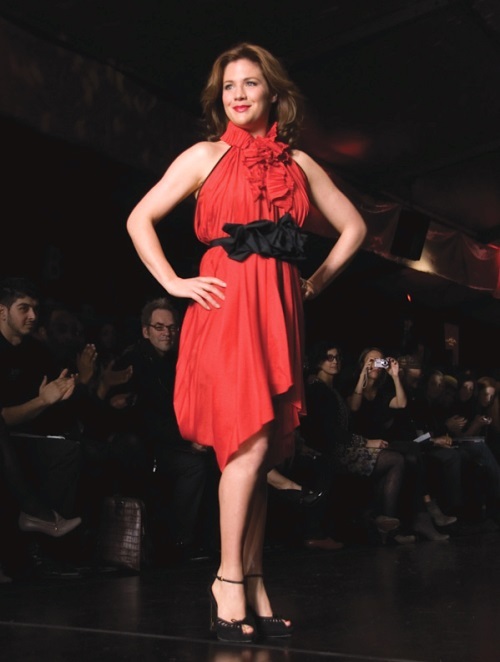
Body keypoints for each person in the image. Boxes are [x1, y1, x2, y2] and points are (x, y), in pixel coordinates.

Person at [126, 42, 366, 642]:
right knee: (248, 444)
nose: (237, 93)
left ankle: (253, 582)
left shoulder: (299, 164)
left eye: (250, 83)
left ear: (273, 94)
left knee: (264, 453)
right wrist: (174, 282)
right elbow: (139, 218)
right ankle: (227, 580)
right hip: (227, 308)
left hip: (278, 312)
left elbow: (355, 227)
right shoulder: (205, 155)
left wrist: (312, 283)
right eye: (229, 85)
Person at [108, 297, 219, 561]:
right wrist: (188, 440)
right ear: (146, 331)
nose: (167, 333)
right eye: (159, 327)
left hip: (168, 439)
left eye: (171, 327)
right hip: (143, 445)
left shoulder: (176, 360)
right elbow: (141, 418)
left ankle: (209, 541)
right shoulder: (134, 360)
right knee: (194, 465)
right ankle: (180, 541)